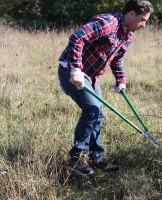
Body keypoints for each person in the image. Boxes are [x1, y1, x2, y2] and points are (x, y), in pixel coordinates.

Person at [58, 0, 154, 175]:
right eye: (142, 19)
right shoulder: (109, 23)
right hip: (71, 70)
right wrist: (76, 69)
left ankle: (97, 159)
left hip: (92, 76)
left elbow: (116, 58)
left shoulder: (128, 36)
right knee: (92, 109)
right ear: (131, 13)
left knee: (99, 115)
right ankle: (76, 159)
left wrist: (121, 80)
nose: (144, 25)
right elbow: (77, 38)